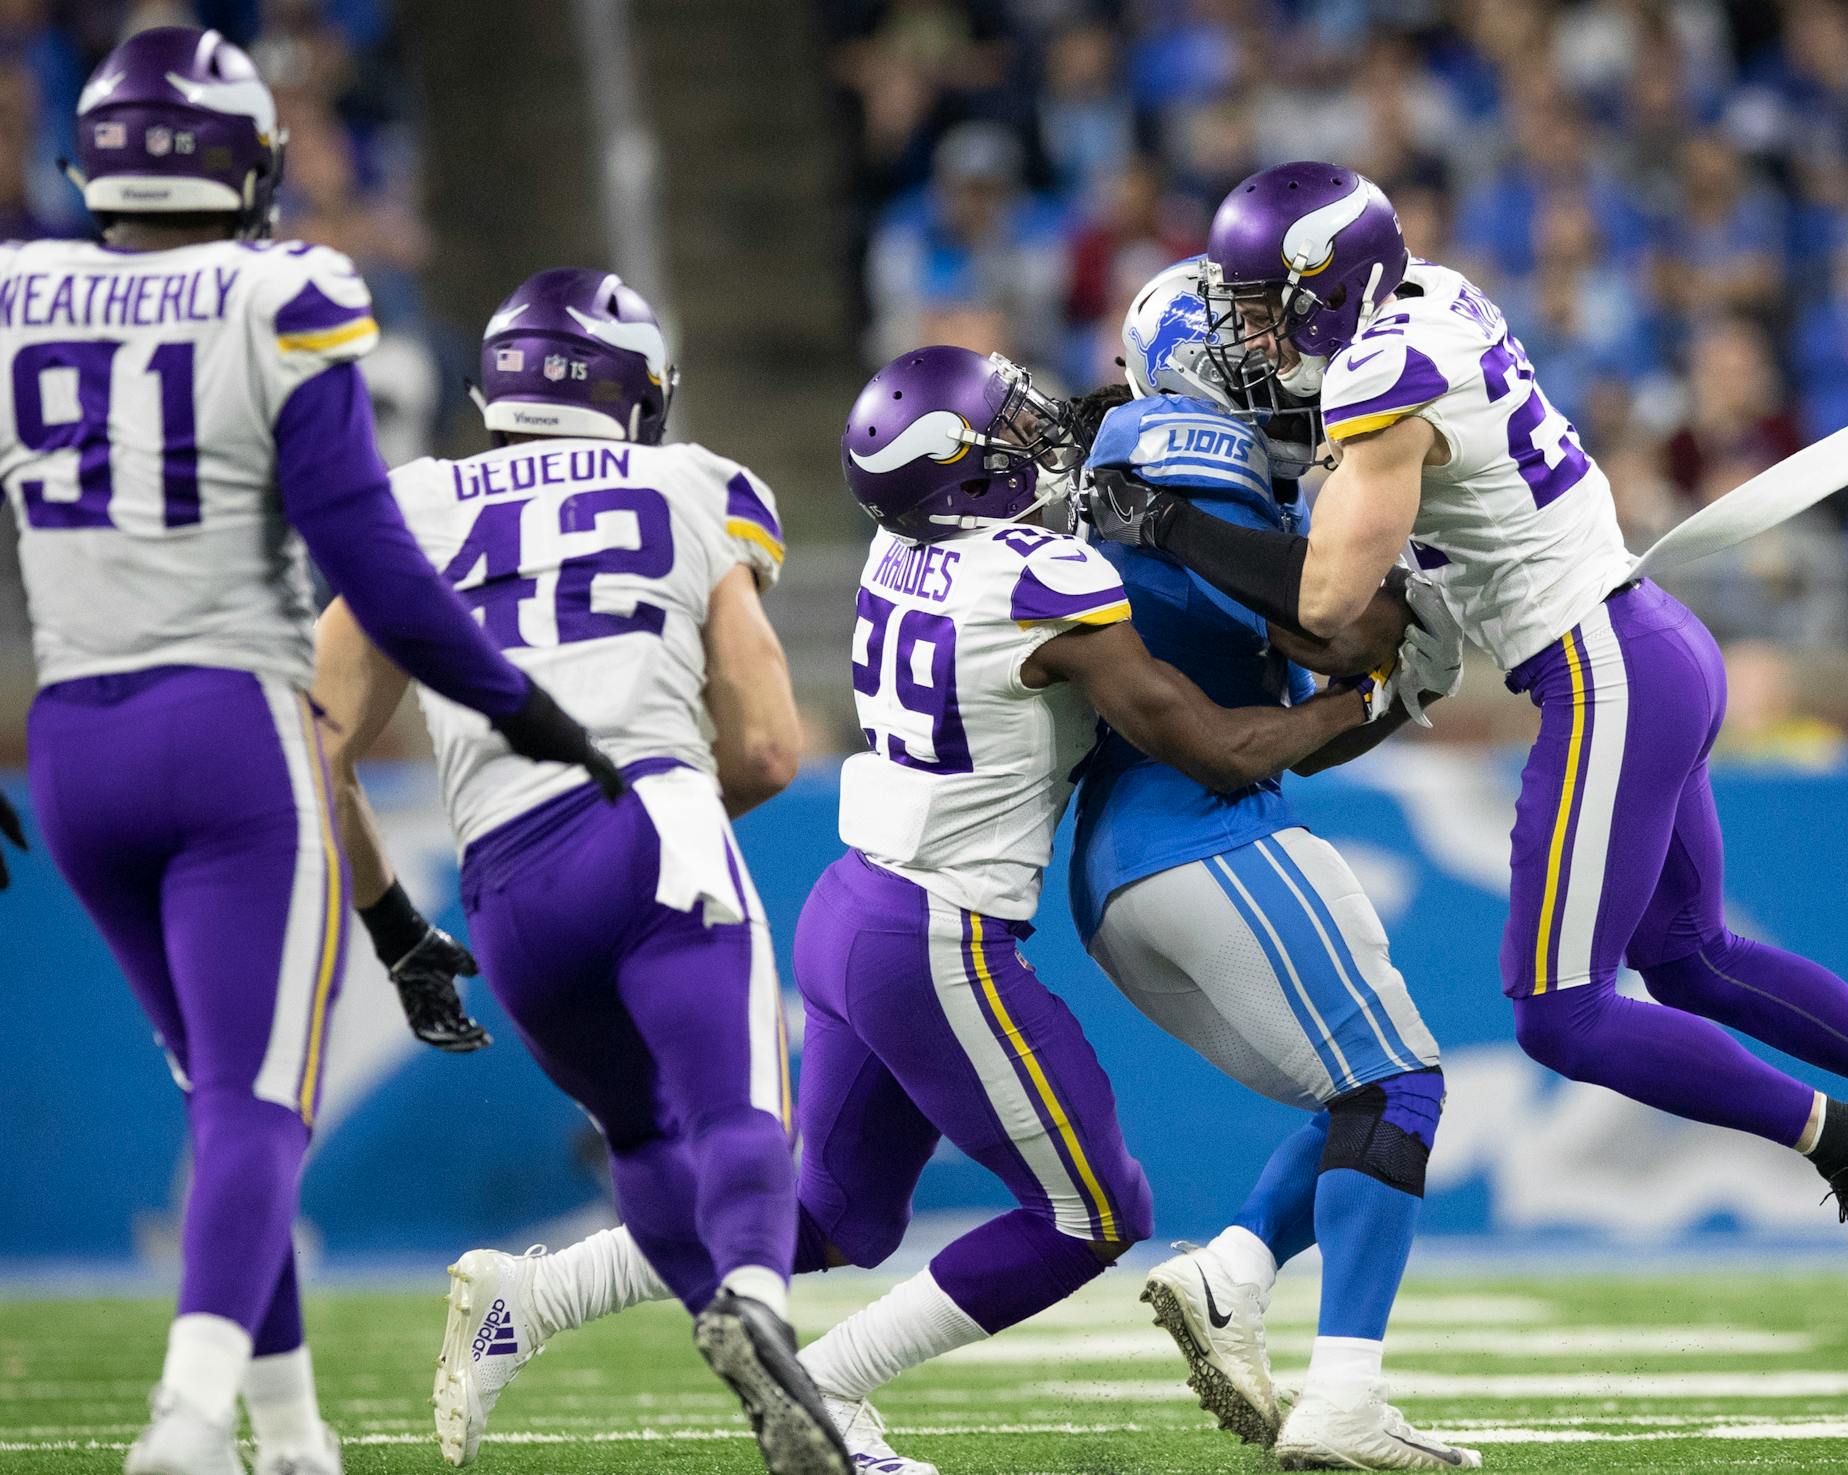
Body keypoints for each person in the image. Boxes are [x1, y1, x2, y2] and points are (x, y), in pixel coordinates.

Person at [1089, 161, 1848, 1309]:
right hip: (1650, 636)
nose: (1252, 333)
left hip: (1600, 667)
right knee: (1694, 959)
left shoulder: (1381, 374)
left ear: (1328, 288)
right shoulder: (1429, 301)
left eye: (1264, 304)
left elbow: (1326, 602)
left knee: (1561, 1013)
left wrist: (1165, 519)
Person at [413, 344, 1384, 1475]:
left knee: (835, 1212)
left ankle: (529, 1296)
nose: (1038, 440)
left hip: (855, 906)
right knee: (1095, 1212)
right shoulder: (1040, 583)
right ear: (965, 478)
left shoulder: (900, 544)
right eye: (1009, 432)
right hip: (940, 935)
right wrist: (1356, 697)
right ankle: (826, 1384)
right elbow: (1213, 747)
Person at [0, 31, 616, 1475]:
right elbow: (373, 563)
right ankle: (186, 1419)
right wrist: (512, 700)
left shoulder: (20, 289)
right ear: (241, 160)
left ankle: (287, 1432)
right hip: (231, 736)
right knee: (255, 1100)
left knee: (223, 1097)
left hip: (75, 747)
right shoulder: (285, 288)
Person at [312, 268, 847, 1475]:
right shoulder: (693, 483)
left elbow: (315, 745)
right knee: (742, 1111)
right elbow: (766, 740)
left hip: (500, 884)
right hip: (652, 817)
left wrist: (397, 930)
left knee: (642, 1136)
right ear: (636, 394)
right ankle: (756, 1307)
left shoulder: (411, 505)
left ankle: (753, 1343)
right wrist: (673, 820)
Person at [1067, 260, 1483, 1470]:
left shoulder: (1214, 471)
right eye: (1248, 330)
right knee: (1398, 1088)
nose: (1281, 349)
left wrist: (1402, 687)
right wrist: (1414, 615)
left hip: (1137, 855)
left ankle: (1234, 1273)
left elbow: (1314, 704)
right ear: (1195, 355)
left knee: (1373, 1094)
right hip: (1189, 824)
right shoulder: (1175, 437)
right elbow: (1329, 620)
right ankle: (1342, 1396)